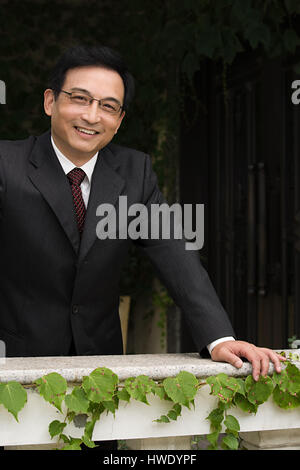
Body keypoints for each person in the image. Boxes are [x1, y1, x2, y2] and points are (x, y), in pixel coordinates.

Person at [0, 45, 283, 382]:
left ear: (119, 120)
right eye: (80, 99)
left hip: (101, 371)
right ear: (50, 102)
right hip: (15, 367)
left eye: (108, 106)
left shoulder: (135, 172)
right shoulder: (7, 165)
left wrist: (220, 338)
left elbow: (174, 252)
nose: (92, 116)